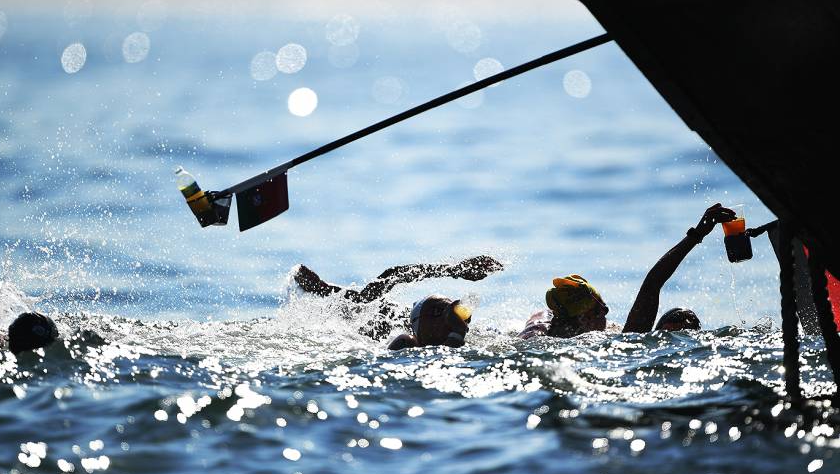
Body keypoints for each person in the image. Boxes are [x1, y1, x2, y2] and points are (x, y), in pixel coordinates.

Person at [519, 203, 736, 338]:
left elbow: (545, 316)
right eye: (598, 310)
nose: (607, 311)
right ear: (583, 320)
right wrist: (696, 235)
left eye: (602, 305)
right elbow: (652, 284)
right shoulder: (626, 340)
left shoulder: (542, 325)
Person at [292, 255, 504, 348]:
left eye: (451, 309)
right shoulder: (403, 342)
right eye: (441, 311)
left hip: (400, 316)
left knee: (367, 304)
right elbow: (394, 275)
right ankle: (323, 290)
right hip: (373, 322)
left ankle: (325, 290)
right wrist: (453, 270)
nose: (451, 314)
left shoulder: (472, 335)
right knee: (363, 306)